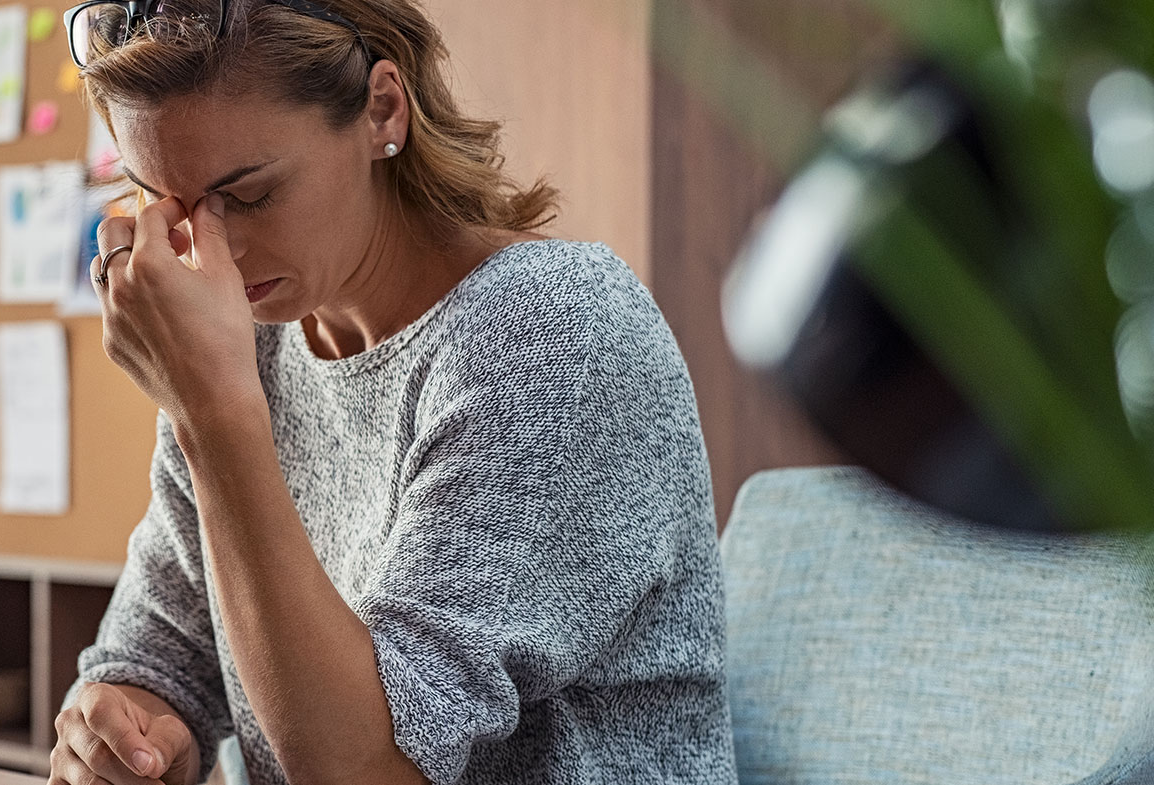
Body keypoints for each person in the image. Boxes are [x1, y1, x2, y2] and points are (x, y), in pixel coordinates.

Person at [50, 1, 736, 783]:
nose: (214, 253)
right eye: (165, 202)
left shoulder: (553, 332)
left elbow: (367, 768)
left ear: (383, 109)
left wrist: (213, 413)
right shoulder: (257, 347)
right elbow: (161, 650)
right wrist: (126, 730)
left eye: (247, 195)